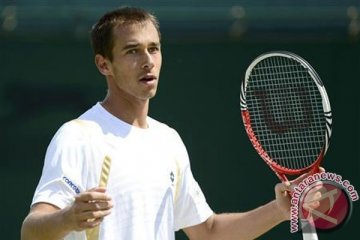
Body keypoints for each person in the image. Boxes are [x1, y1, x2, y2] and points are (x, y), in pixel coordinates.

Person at [21, 6, 320, 240]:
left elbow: (208, 232)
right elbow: (31, 231)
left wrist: (280, 210)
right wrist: (68, 218)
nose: (148, 61)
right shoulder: (77, 136)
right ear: (104, 64)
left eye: (154, 48)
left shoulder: (168, 141)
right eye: (132, 51)